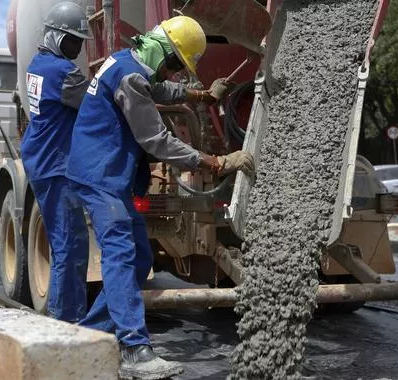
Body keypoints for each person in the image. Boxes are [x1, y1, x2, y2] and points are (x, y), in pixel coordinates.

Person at [65, 16, 255, 380]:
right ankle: (135, 349)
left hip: (110, 175)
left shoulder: (127, 61)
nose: (171, 74)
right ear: (163, 50)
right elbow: (156, 140)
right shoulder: (130, 76)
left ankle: (87, 337)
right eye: (173, 65)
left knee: (139, 258)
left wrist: (200, 94)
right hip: (100, 176)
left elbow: (158, 89)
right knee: (121, 254)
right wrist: (215, 161)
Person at [20, 2, 91, 323]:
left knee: (67, 245)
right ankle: (67, 323)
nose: (77, 49)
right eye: (73, 41)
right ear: (55, 36)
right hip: (56, 166)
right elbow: (96, 102)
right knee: (69, 248)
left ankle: (68, 317)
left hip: (41, 160)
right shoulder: (62, 72)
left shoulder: (37, 63)